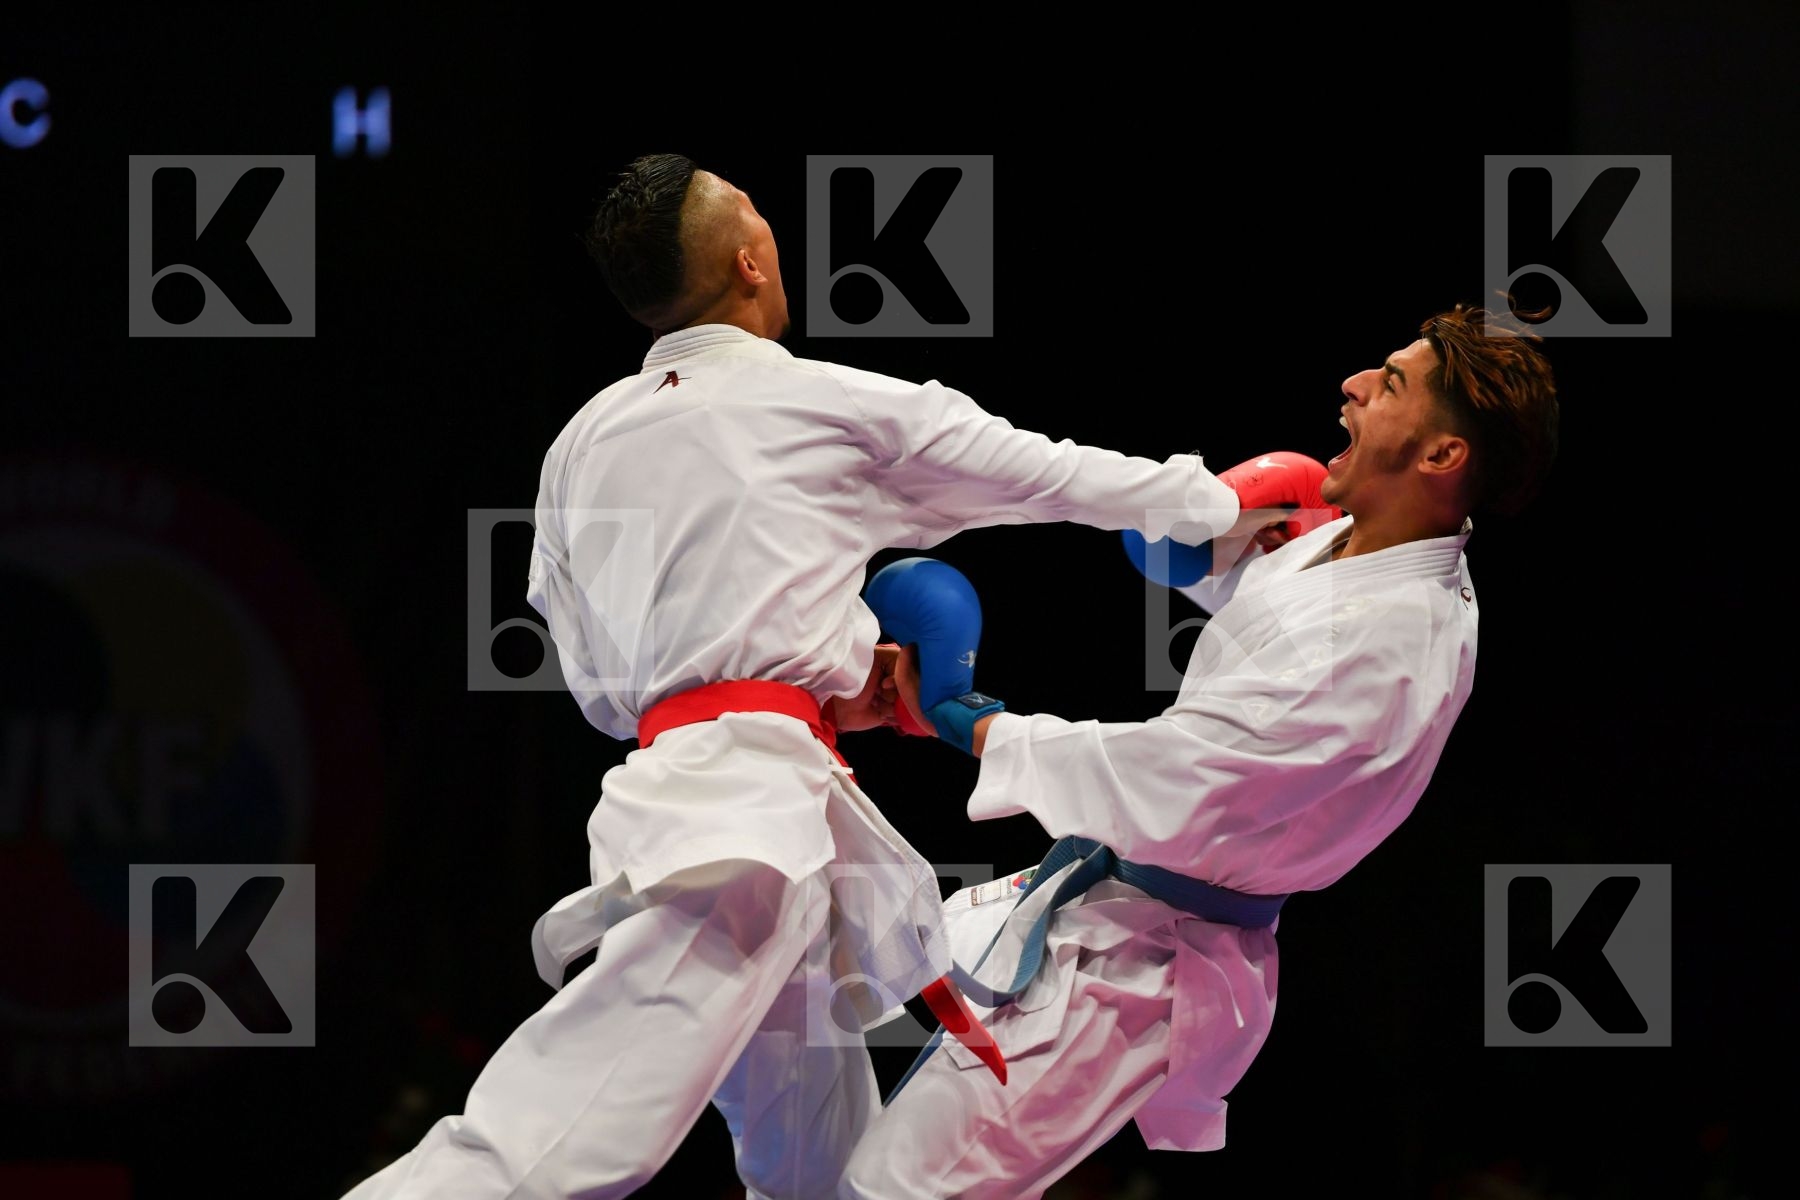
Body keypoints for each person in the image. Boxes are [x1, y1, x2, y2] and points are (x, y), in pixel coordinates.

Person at [338, 153, 1309, 1200]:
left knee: (820, 1173)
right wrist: (1217, 507)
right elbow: (1049, 472)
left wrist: (809, 675)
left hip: (721, 803)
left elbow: (604, 689)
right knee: (556, 1138)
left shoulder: (579, 446)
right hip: (739, 835)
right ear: (749, 262)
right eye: (758, 211)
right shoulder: (818, 400)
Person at [842, 304, 1560, 1199]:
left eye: (1391, 385)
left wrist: (970, 719)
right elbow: (1274, 641)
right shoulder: (1364, 546)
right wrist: (1205, 556)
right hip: (1111, 908)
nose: (1353, 386)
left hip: (1140, 964)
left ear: (1443, 454)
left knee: (891, 1191)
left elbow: (1178, 778)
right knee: (817, 1109)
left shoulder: (1389, 647)